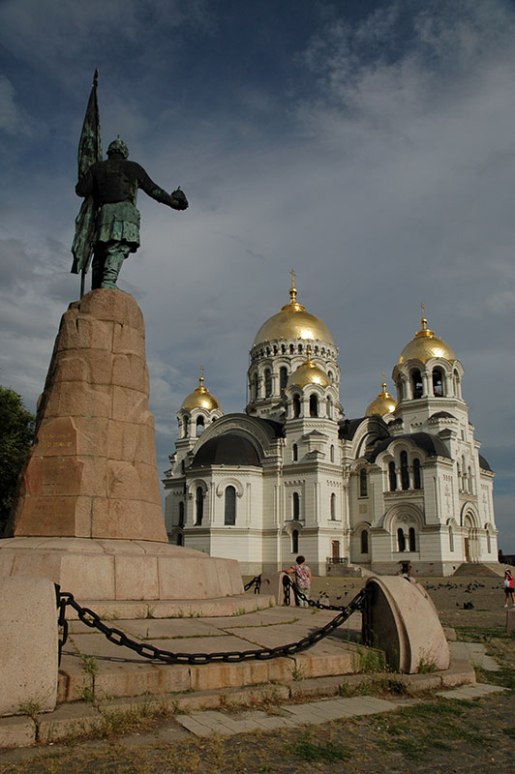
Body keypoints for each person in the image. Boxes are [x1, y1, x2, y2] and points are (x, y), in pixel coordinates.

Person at [75, 138, 188, 289]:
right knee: (119, 246)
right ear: (125, 153)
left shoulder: (96, 168)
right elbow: (153, 190)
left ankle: (97, 289)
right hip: (125, 212)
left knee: (101, 250)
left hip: (104, 213)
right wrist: (174, 203)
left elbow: (81, 190)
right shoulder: (133, 168)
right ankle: (108, 281)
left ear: (109, 152)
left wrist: (87, 171)